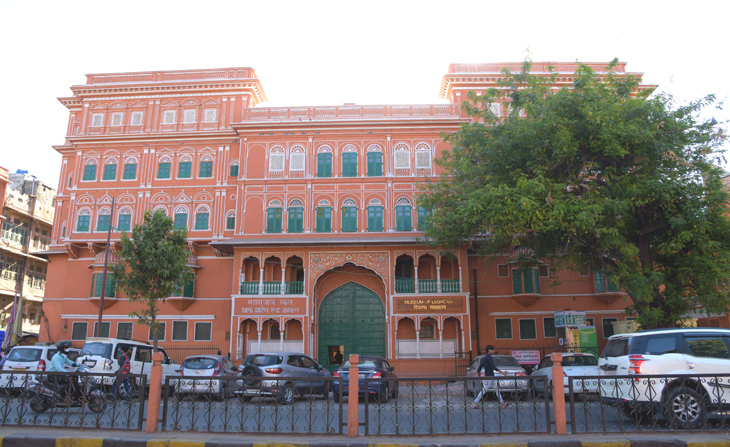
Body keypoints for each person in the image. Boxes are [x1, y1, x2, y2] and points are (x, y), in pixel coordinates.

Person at [472, 345, 509, 410]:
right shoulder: (489, 357)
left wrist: (477, 374)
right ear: (489, 350)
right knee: (484, 390)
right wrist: (502, 372)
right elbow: (492, 366)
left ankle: (502, 403)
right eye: (492, 350)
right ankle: (475, 402)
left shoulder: (485, 357)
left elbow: (480, 366)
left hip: (490, 376)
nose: (493, 351)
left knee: (496, 390)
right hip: (490, 377)